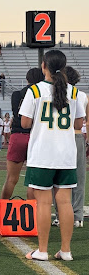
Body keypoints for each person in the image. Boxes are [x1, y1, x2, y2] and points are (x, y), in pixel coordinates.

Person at [20, 50, 84, 261]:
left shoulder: (35, 91)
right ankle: (65, 250)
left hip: (43, 154)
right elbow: (77, 124)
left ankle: (43, 250)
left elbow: (25, 123)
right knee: (64, 203)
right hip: (66, 154)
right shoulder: (75, 93)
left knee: (44, 204)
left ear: (43, 66)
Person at [0, 68, 44, 217]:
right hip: (36, 137)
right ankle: (31, 217)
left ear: (27, 79)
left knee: (11, 179)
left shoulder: (17, 94)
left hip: (18, 135)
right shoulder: (42, 94)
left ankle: (1, 214)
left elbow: (15, 113)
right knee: (33, 181)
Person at [52, 66, 88, 228]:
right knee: (79, 177)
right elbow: (84, 121)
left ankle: (60, 216)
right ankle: (78, 216)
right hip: (77, 135)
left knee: (58, 177)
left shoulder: (57, 91)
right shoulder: (82, 95)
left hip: (60, 135)